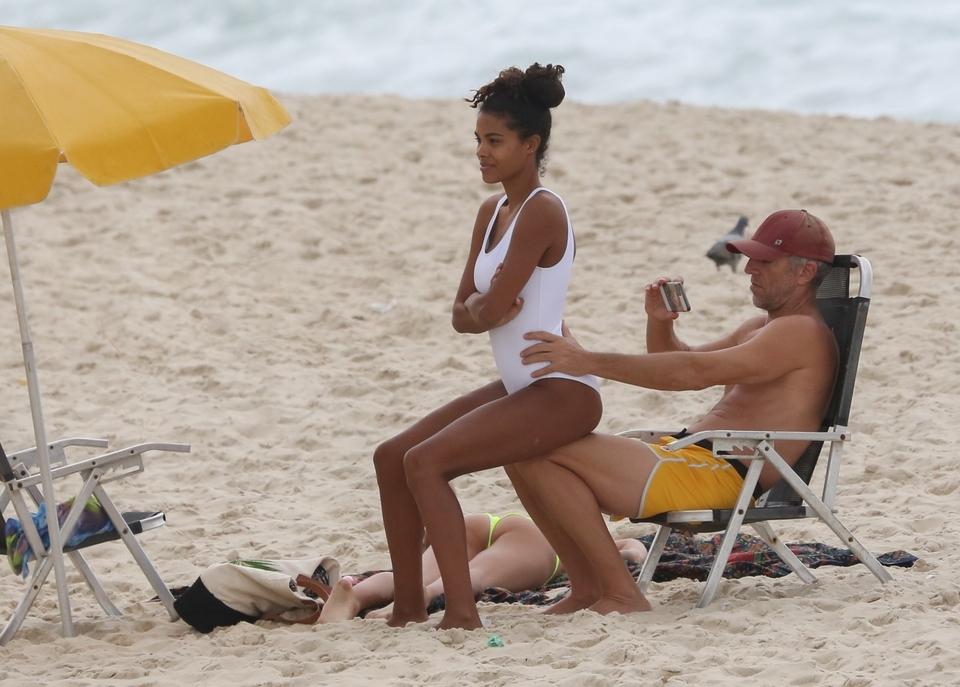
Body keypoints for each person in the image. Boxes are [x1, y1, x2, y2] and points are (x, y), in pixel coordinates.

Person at [507, 210, 838, 616]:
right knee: (524, 449)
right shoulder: (763, 327)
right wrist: (660, 324)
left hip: (721, 473)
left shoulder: (800, 332)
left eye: (765, 261)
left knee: (532, 445)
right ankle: (588, 586)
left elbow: (693, 374)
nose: (749, 268)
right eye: (751, 258)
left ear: (804, 272)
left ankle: (620, 593)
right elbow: (681, 360)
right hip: (692, 457)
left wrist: (585, 360)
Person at [373, 63, 603, 630]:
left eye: (495, 141)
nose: (482, 152)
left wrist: (483, 307)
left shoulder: (543, 210)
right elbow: (463, 315)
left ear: (531, 145)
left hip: (561, 391)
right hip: (522, 385)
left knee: (425, 463)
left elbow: (489, 310)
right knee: (390, 457)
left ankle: (461, 612)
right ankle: (406, 605)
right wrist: (482, 307)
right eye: (478, 140)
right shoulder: (491, 212)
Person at [317, 512, 647, 623]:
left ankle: (354, 596)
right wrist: (633, 553)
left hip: (480, 522)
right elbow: (631, 549)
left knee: (412, 575)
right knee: (473, 576)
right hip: (535, 543)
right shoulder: (575, 540)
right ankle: (424, 596)